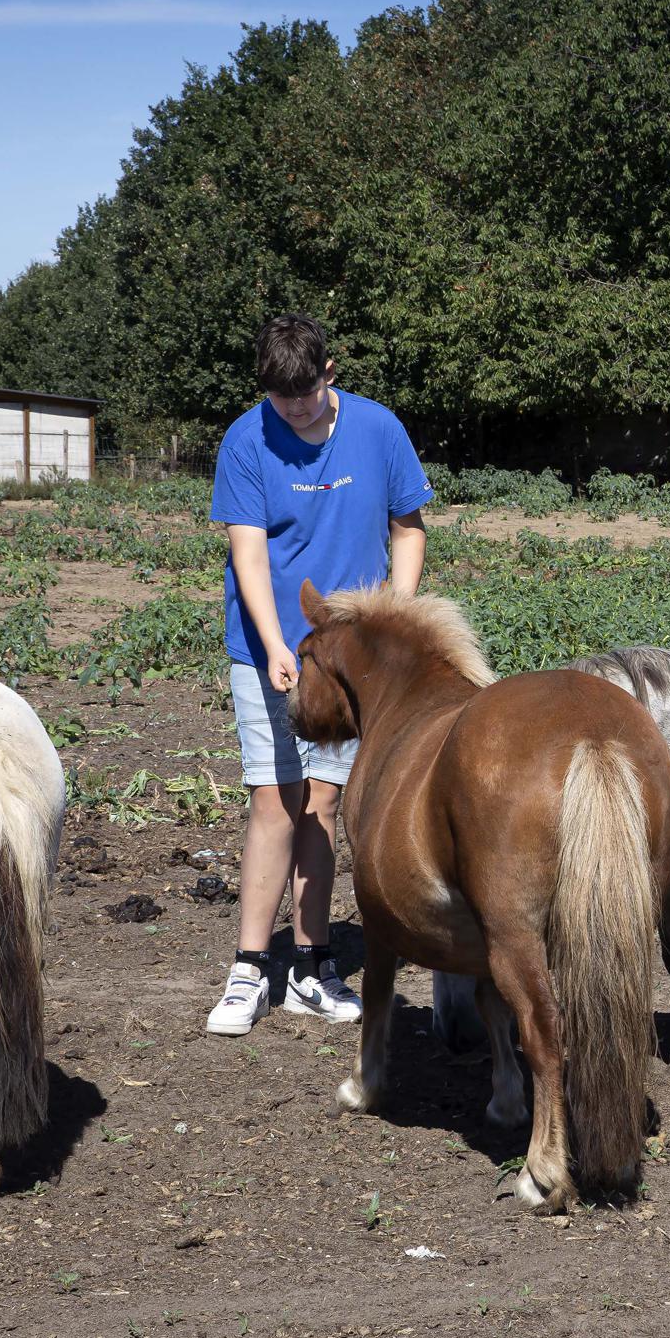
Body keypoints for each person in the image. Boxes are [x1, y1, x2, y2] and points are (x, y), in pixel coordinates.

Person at [203, 314, 432, 1036]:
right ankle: (249, 968)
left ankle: (311, 964)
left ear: (328, 373)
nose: (293, 410)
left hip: (350, 660)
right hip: (268, 648)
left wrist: (394, 620)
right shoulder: (246, 439)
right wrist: (274, 645)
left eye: (304, 396)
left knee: (325, 807)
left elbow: (408, 527)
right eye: (280, 399)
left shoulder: (377, 429)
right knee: (277, 801)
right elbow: (246, 556)